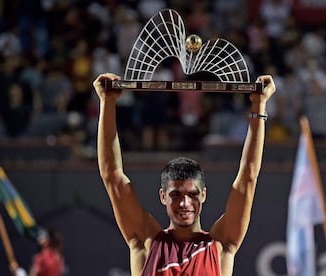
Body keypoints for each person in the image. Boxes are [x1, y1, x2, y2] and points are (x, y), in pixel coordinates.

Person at [93, 72, 276, 275]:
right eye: (176, 194)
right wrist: (107, 103)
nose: (184, 203)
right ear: (163, 196)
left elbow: (248, 177)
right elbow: (112, 176)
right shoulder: (147, 243)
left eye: (192, 194)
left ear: (203, 195)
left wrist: (259, 106)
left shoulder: (220, 246)